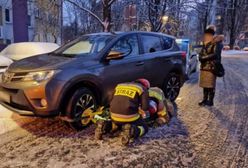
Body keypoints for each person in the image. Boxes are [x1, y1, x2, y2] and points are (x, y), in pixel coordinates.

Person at [95, 79, 150, 145]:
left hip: (114, 115)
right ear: (146, 86)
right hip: (129, 117)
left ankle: (104, 126)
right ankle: (132, 131)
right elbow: (145, 107)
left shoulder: (120, 85)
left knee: (117, 125)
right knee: (145, 127)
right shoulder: (142, 88)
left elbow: (109, 100)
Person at [199, 25, 224, 106]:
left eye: (208, 35)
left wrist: (204, 58)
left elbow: (215, 54)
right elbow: (201, 52)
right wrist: (200, 56)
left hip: (211, 67)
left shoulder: (216, 43)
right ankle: (204, 99)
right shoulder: (205, 43)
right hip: (204, 67)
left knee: (210, 84)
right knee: (204, 84)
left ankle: (211, 101)